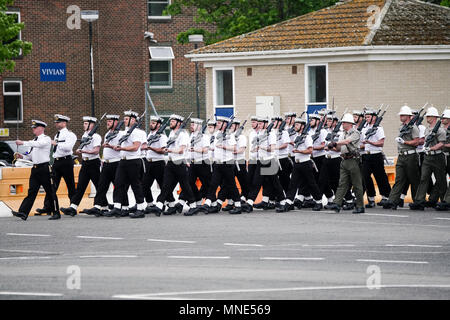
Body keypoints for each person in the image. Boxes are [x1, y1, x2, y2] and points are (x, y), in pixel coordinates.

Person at [149, 114, 198, 216]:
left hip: (179, 162)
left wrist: (169, 150)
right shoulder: (171, 133)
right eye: (170, 121)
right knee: (166, 185)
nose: (170, 122)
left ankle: (193, 206)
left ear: (179, 123)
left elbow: (181, 150)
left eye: (173, 121)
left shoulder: (183, 134)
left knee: (185, 186)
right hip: (171, 163)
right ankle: (159, 206)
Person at [196, 116, 245, 215]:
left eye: (219, 123)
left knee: (231, 185)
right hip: (218, 164)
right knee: (213, 184)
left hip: (227, 164)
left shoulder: (229, 135)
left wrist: (223, 146)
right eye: (217, 122)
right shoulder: (217, 134)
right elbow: (214, 148)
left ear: (225, 124)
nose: (217, 124)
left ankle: (238, 205)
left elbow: (234, 148)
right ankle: (208, 203)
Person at [12, 120, 58, 220]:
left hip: (44, 168)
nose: (33, 129)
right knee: (32, 191)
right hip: (35, 169)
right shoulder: (34, 140)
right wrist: (21, 156)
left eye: (35, 127)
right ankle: (23, 212)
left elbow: (38, 144)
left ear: (41, 128)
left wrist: (23, 142)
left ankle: (55, 212)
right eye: (33, 127)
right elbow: (30, 156)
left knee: (50, 191)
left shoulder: (46, 139)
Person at [106, 110, 147, 218]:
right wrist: (112, 146)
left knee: (136, 185)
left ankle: (140, 208)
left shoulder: (137, 132)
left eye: (126, 119)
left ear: (133, 120)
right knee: (118, 184)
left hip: (133, 161)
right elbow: (119, 146)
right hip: (123, 161)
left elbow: (135, 147)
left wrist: (122, 147)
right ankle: (117, 207)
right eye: (124, 118)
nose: (124, 120)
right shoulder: (124, 132)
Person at [278, 117, 323, 212]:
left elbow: (310, 150)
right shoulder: (296, 137)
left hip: (305, 163)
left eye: (297, 125)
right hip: (297, 163)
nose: (295, 126)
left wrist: (299, 151)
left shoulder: (307, 137)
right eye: (295, 124)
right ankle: (289, 202)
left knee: (311, 183)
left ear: (302, 126)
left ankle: (319, 201)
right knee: (292, 184)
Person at [82, 114, 123, 216]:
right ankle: (97, 206)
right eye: (107, 121)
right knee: (101, 186)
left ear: (116, 122)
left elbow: (121, 148)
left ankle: (120, 207)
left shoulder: (121, 134)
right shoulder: (107, 134)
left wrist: (111, 146)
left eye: (110, 121)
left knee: (118, 186)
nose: (108, 123)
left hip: (116, 163)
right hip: (106, 163)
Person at [36, 114, 76, 216]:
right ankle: (48, 207)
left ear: (64, 123)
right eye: (56, 122)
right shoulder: (57, 135)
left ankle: (73, 206)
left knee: (70, 184)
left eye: (58, 122)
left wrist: (56, 144)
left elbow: (68, 148)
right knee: (52, 185)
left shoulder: (70, 135)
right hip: (57, 162)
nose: (56, 124)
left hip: (66, 161)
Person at [60, 116, 101, 217]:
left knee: (99, 186)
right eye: (84, 123)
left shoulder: (96, 136)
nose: (84, 125)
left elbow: (96, 150)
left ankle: (99, 206)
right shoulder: (84, 135)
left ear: (92, 125)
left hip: (94, 163)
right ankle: (73, 207)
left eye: (86, 124)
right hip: (85, 163)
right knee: (80, 186)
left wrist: (84, 151)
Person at [383, 106, 421, 209]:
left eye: (403, 115)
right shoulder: (401, 127)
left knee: (414, 180)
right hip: (401, 156)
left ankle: (417, 201)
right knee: (399, 179)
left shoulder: (413, 127)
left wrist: (404, 142)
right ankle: (393, 201)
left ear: (409, 116)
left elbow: (417, 142)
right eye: (400, 115)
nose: (401, 117)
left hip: (410, 156)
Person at [326, 113, 365, 214]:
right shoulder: (343, 134)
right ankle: (337, 203)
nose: (342, 124)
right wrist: (331, 146)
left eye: (344, 122)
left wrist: (336, 143)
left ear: (349, 124)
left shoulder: (355, 133)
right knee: (342, 183)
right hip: (344, 160)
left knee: (357, 185)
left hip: (353, 160)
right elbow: (339, 148)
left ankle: (360, 206)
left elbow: (347, 142)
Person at [409, 107, 447, 210]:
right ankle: (419, 200)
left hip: (437, 156)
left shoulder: (440, 130)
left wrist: (431, 148)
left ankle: (445, 201)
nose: (427, 118)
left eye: (429, 116)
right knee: (423, 178)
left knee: (440, 180)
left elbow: (442, 143)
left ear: (434, 117)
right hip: (428, 157)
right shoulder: (427, 129)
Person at [142, 116, 175, 214]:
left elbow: (162, 151)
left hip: (158, 163)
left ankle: (171, 204)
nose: (151, 124)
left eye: (153, 123)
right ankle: (150, 204)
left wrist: (150, 148)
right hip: (149, 162)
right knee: (144, 185)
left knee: (163, 185)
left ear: (158, 125)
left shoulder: (162, 136)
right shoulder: (149, 135)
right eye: (151, 122)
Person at [360, 108, 391, 208]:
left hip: (376, 155)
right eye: (366, 117)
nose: (366, 119)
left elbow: (381, 143)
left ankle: (386, 197)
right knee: (365, 177)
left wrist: (370, 142)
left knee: (380, 177)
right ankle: (371, 198)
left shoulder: (379, 128)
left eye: (368, 117)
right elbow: (361, 143)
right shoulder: (364, 129)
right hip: (366, 155)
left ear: (374, 118)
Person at [435, 109, 450, 211]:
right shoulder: (440, 129)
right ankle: (441, 199)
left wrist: (442, 145)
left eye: (444, 118)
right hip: (442, 156)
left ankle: (446, 201)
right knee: (440, 179)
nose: (442, 120)